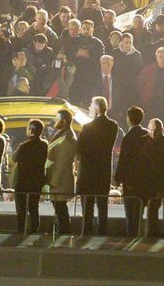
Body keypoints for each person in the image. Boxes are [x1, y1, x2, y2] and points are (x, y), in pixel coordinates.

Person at [76, 96, 119, 235]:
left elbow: (80, 148)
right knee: (102, 205)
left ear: (96, 108)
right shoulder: (113, 125)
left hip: (88, 172)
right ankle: (102, 232)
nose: (88, 107)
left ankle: (87, 231)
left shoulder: (87, 127)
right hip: (103, 171)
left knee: (87, 206)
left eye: (90, 105)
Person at [114, 106, 150, 236]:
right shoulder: (147, 135)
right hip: (144, 180)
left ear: (129, 119)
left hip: (130, 181)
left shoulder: (128, 138)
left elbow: (123, 160)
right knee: (140, 211)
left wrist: (118, 178)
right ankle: (140, 233)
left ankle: (131, 234)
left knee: (130, 210)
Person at [10, 118, 48, 233]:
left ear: (31, 130)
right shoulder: (44, 144)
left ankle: (21, 229)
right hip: (37, 180)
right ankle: (34, 229)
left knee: (21, 208)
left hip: (22, 180)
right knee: (34, 207)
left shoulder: (25, 145)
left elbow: (14, 158)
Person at [45, 108, 78, 234]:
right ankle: (62, 230)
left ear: (64, 121)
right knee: (59, 207)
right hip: (57, 179)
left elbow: (62, 163)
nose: (54, 121)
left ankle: (64, 231)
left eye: (57, 119)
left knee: (60, 207)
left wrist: (54, 181)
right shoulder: (62, 134)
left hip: (60, 180)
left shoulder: (67, 138)